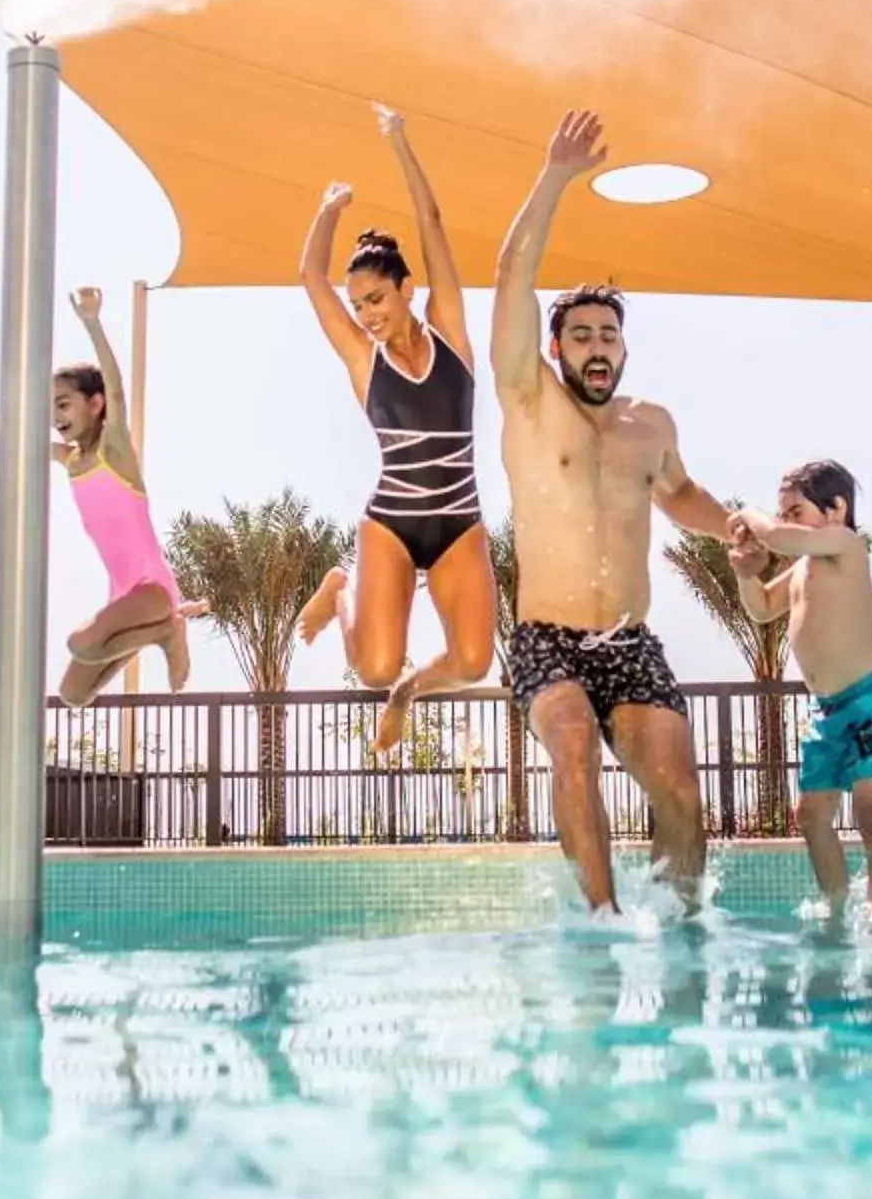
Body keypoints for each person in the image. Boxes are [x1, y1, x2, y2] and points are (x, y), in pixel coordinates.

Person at [490, 108, 739, 912]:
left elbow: (681, 495)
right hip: (547, 638)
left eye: (608, 335)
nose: (597, 347)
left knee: (681, 792)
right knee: (572, 750)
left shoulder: (649, 425)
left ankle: (683, 931)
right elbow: (511, 279)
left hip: (628, 641)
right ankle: (601, 924)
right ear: (555, 347)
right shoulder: (529, 403)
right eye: (582, 335)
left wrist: (730, 524)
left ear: (623, 347)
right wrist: (555, 176)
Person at [293, 105, 496, 754]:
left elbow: (432, 223)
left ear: (406, 289)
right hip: (391, 523)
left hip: (458, 520)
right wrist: (329, 208)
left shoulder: (452, 334)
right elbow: (309, 279)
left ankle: (409, 693)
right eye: (359, 306)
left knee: (472, 663)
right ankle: (341, 586)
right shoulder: (363, 359)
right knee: (373, 666)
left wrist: (400, 142)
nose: (368, 315)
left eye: (376, 299)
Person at [0, 286, 202, 707]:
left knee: (80, 642)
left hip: (151, 588)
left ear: (94, 404)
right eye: (51, 408)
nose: (55, 417)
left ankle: (167, 630)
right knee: (73, 694)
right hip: (121, 593)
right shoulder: (72, 460)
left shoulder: (115, 451)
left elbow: (117, 391)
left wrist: (92, 322)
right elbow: (9, 430)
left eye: (64, 404)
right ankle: (162, 632)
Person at [730, 460, 872, 927]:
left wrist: (753, 517)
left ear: (836, 508)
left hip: (870, 702)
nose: (784, 520)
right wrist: (746, 572)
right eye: (780, 511)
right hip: (825, 712)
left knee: (871, 812)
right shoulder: (805, 567)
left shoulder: (844, 544)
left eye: (794, 510)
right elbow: (762, 608)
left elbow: (782, 539)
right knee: (810, 817)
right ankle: (836, 908)